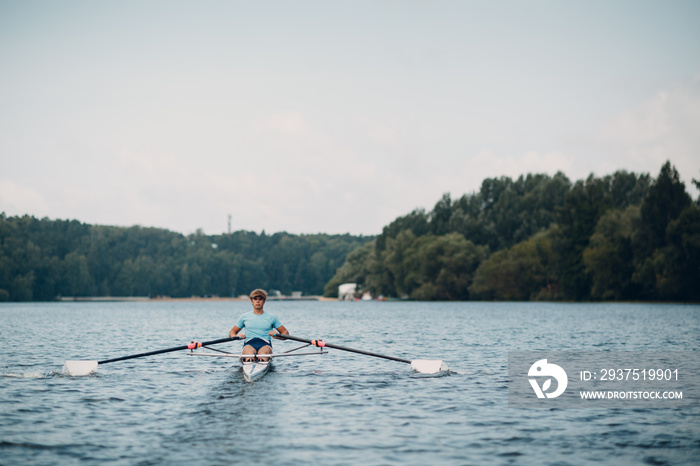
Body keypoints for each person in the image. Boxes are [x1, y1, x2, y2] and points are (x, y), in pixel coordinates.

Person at [228, 289, 288, 362]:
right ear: (251, 301)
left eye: (260, 299)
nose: (258, 301)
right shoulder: (244, 317)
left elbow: (285, 333)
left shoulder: (272, 317)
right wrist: (236, 337)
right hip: (249, 343)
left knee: (262, 354)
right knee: (250, 354)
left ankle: (261, 361)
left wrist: (277, 336)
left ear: (264, 301)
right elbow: (232, 332)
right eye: (255, 299)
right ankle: (250, 362)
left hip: (265, 344)